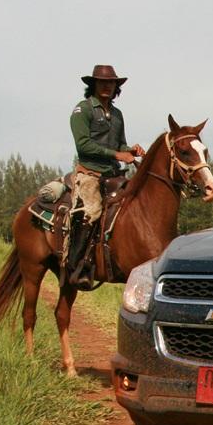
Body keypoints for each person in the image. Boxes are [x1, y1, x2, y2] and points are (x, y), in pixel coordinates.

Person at [68, 64, 144, 286]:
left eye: (111, 83)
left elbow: (120, 143)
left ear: (116, 87)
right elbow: (83, 146)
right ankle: (78, 265)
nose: (107, 86)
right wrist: (118, 154)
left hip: (113, 174)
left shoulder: (117, 114)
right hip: (90, 173)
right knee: (91, 211)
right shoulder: (82, 110)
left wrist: (130, 150)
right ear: (93, 85)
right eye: (102, 82)